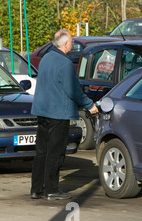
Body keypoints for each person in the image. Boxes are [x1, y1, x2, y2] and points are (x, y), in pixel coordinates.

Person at [30, 30, 98, 200]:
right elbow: (73, 90)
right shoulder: (65, 64)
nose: (72, 45)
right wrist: (90, 105)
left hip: (42, 111)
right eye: (71, 42)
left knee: (41, 151)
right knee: (55, 152)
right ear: (65, 44)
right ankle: (52, 190)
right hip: (58, 113)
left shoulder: (46, 58)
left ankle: (36, 189)